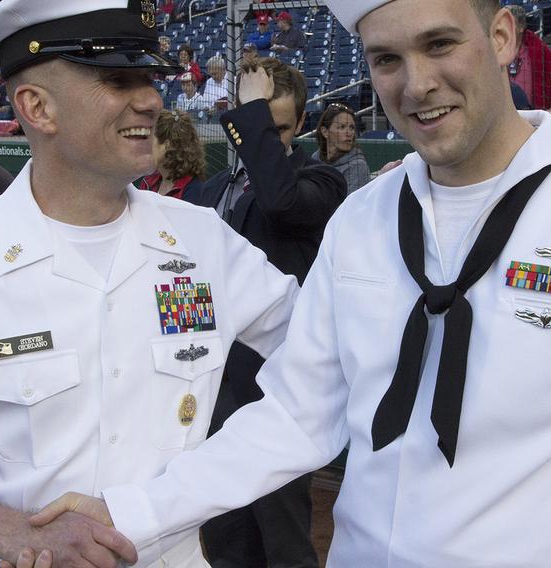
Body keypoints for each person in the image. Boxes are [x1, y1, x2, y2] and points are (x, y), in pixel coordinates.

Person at [26, 2, 551, 567]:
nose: (416, 83)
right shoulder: (362, 220)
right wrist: (131, 512)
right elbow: (297, 416)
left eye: (439, 44)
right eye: (386, 59)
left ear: (501, 37)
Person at [0, 2, 302, 568]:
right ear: (36, 107)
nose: (151, 99)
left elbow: (319, 369)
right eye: (118, 79)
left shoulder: (204, 243)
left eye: (149, 78)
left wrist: (182, 495)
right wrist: (6, 530)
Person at [185, 56, 345, 568]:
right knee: (226, 538)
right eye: (259, 125)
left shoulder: (321, 182)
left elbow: (278, 201)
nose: (269, 138)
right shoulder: (209, 193)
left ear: (300, 126)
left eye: (277, 127)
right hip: (214, 388)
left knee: (284, 542)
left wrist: (248, 113)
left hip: (280, 390)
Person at [507, 5, 551, 114]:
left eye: (510, 23)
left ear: (521, 27)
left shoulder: (536, 47)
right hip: (505, 112)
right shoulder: (498, 47)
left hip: (531, 113)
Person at [138, 109, 205, 200]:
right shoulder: (147, 182)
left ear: (167, 145)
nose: (142, 146)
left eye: (148, 140)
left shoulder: (193, 190)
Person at [312, 102, 370, 194]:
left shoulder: (358, 165)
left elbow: (352, 206)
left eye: (351, 128)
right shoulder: (315, 158)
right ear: (325, 132)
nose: (349, 133)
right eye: (342, 127)